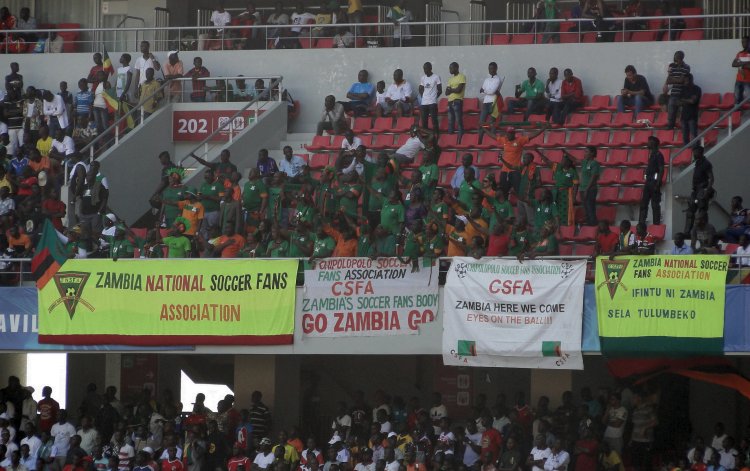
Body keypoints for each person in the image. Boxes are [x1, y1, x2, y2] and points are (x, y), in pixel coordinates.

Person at [492, 124, 547, 196]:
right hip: (504, 171)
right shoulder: (504, 139)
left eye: (511, 133)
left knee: (519, 192)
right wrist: (484, 129)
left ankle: (521, 205)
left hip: (515, 170)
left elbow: (532, 136)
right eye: (508, 133)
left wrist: (543, 128)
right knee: (503, 193)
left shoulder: (520, 140)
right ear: (506, 133)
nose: (510, 134)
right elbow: (493, 136)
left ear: (514, 134)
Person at [684, 145, 714, 234]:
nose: (693, 154)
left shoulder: (706, 163)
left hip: (703, 189)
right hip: (695, 190)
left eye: (695, 152)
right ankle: (687, 233)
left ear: (700, 152)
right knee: (690, 211)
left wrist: (707, 191)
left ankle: (704, 232)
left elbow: (711, 178)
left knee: (702, 212)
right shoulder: (697, 163)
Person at [638, 136, 664, 226]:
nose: (648, 143)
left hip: (654, 183)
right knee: (643, 204)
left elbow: (661, 169)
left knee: (655, 205)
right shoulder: (652, 154)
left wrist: (658, 183)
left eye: (649, 142)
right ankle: (641, 224)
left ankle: (656, 225)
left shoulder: (658, 155)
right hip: (648, 182)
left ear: (654, 143)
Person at [573, 146, 600, 226]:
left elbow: (593, 177)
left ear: (592, 153)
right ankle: (589, 227)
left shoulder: (594, 163)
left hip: (590, 189)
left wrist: (587, 189)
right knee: (586, 210)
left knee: (590, 209)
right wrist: (565, 153)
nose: (585, 153)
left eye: (586, 152)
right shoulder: (585, 162)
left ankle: (593, 227)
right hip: (582, 189)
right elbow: (575, 160)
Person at [478, 62, 504, 144]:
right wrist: (486, 91)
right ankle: (480, 141)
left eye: (492, 68)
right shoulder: (486, 79)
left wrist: (484, 90)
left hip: (494, 102)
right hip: (486, 102)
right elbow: (481, 92)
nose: (490, 70)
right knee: (482, 122)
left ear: (496, 69)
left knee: (492, 123)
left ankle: (491, 142)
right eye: (489, 68)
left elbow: (491, 91)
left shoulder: (498, 79)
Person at [664, 51, 690, 130]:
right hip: (674, 93)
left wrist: (674, 79)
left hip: (683, 93)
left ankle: (683, 126)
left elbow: (682, 80)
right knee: (671, 111)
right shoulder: (673, 67)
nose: (675, 60)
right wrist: (676, 79)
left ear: (680, 58)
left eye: (677, 58)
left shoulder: (686, 67)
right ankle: (670, 127)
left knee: (683, 112)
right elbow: (668, 80)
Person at [445, 62, 466, 139]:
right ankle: (451, 138)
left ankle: (461, 138)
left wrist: (451, 89)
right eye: (449, 68)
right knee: (450, 122)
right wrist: (453, 90)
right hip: (450, 102)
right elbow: (446, 92)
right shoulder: (450, 79)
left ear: (456, 68)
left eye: (451, 68)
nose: (450, 70)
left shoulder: (462, 77)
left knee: (458, 120)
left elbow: (459, 90)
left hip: (457, 101)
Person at [419, 62, 442, 132]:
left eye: (426, 68)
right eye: (424, 69)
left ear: (430, 68)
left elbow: (440, 90)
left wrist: (434, 97)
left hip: (432, 103)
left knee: (434, 121)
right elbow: (421, 88)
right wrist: (423, 96)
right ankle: (426, 138)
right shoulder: (423, 78)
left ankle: (436, 136)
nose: (425, 70)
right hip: (424, 103)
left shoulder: (436, 77)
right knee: (424, 122)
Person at [679, 74, 702, 146]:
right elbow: (678, 102)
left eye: (686, 80)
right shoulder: (683, 89)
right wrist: (687, 100)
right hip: (683, 116)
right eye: (684, 80)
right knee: (685, 137)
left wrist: (683, 100)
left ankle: (696, 151)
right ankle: (686, 152)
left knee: (694, 135)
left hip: (692, 116)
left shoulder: (697, 89)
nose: (685, 82)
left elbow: (693, 101)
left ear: (691, 80)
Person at [733, 37, 750, 104]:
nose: (743, 44)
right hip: (739, 80)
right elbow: (733, 64)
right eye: (742, 42)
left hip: (748, 81)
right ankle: (737, 113)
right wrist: (746, 63)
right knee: (737, 99)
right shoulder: (739, 53)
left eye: (745, 42)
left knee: (748, 99)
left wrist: (740, 63)